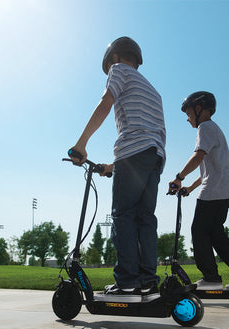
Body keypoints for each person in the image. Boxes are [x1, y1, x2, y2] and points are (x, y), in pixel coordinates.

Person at [70, 37, 166, 300]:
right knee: (145, 220)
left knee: (122, 216)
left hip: (133, 153)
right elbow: (146, 137)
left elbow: (106, 102)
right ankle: (147, 282)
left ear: (114, 57)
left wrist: (81, 145)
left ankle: (126, 283)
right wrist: (112, 166)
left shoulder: (119, 70)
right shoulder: (153, 90)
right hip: (154, 157)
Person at [168, 91, 229, 291]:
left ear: (199, 109)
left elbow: (198, 156)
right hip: (222, 190)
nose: (187, 117)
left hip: (214, 191)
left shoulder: (205, 127)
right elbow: (209, 169)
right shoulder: (214, 129)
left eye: (189, 112)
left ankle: (211, 277)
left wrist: (179, 178)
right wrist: (190, 188)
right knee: (216, 234)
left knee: (199, 231)